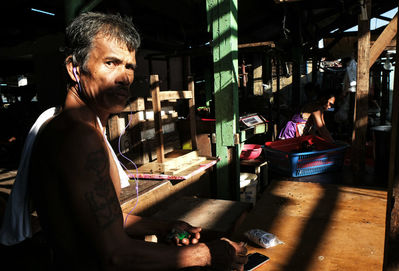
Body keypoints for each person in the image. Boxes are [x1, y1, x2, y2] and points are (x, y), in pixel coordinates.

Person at [1, 12, 247, 270]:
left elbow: (99, 220)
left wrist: (163, 226)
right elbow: (115, 254)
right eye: (111, 63)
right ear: (74, 69)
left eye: (129, 66)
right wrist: (206, 254)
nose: (124, 77)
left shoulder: (82, 127)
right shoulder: (78, 137)